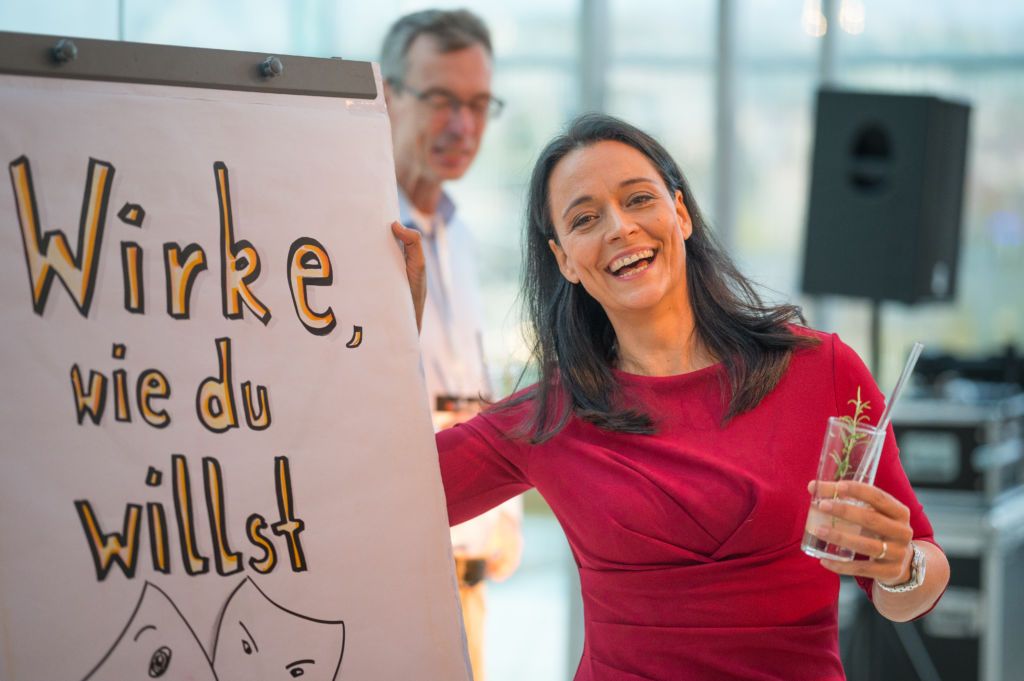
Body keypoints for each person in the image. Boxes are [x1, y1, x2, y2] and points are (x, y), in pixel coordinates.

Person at [391, 112, 950, 680]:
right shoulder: (548, 416)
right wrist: (386, 342)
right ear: (565, 260)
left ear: (680, 214)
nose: (619, 228)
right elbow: (382, 499)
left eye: (638, 199)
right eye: (585, 218)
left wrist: (900, 566)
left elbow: (920, 582)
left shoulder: (819, 369)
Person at [380, 9, 523, 680]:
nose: (464, 126)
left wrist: (505, 516)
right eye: (442, 99)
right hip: (394, 573)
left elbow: (469, 383)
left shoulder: (457, 231)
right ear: (387, 96)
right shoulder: (354, 229)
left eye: (478, 104)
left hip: (466, 573)